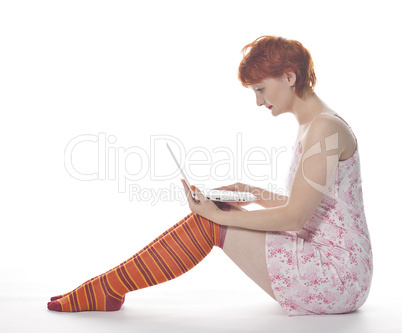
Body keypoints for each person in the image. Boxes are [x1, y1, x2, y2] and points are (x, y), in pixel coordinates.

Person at [47, 35, 373, 316]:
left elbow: (295, 217)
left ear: (289, 77)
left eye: (260, 89)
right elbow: (311, 209)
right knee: (216, 214)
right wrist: (250, 192)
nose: (258, 101)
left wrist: (219, 216)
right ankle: (109, 287)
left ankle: (109, 288)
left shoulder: (324, 128)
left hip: (338, 275)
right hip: (330, 261)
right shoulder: (313, 125)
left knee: (211, 222)